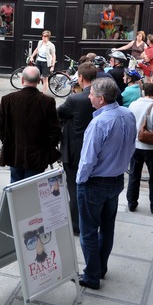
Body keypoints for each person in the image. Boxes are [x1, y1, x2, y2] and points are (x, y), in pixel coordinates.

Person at [76, 77, 137, 290]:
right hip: (116, 180)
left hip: (95, 183)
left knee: (89, 231)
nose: (89, 96)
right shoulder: (128, 115)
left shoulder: (99, 122)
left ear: (101, 99)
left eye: (91, 93)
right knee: (107, 227)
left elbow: (88, 159)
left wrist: (80, 181)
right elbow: (131, 148)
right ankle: (100, 268)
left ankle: (92, 275)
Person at [0, 66, 61, 183]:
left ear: (22, 80)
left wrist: (8, 142)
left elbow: (0, 127)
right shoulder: (47, 101)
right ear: (39, 81)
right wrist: (46, 146)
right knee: (34, 190)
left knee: (15, 189)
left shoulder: (7, 100)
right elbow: (55, 130)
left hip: (15, 152)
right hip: (37, 155)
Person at [57, 63, 97, 235]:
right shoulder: (103, 96)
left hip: (75, 150)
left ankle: (75, 225)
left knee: (74, 188)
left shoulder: (76, 99)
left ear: (80, 77)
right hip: (95, 150)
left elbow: (59, 113)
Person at [126, 83, 153, 214]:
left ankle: (131, 203)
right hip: (150, 147)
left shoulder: (133, 104)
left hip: (135, 146)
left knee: (134, 174)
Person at [29, 30, 56, 95]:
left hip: (46, 63)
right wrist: (32, 56)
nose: (43, 37)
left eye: (45, 36)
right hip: (38, 61)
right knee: (35, 77)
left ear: (48, 37)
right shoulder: (40, 42)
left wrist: (52, 66)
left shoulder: (51, 45)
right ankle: (33, 91)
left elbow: (53, 55)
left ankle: (43, 94)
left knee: (45, 79)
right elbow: (36, 49)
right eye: (43, 36)